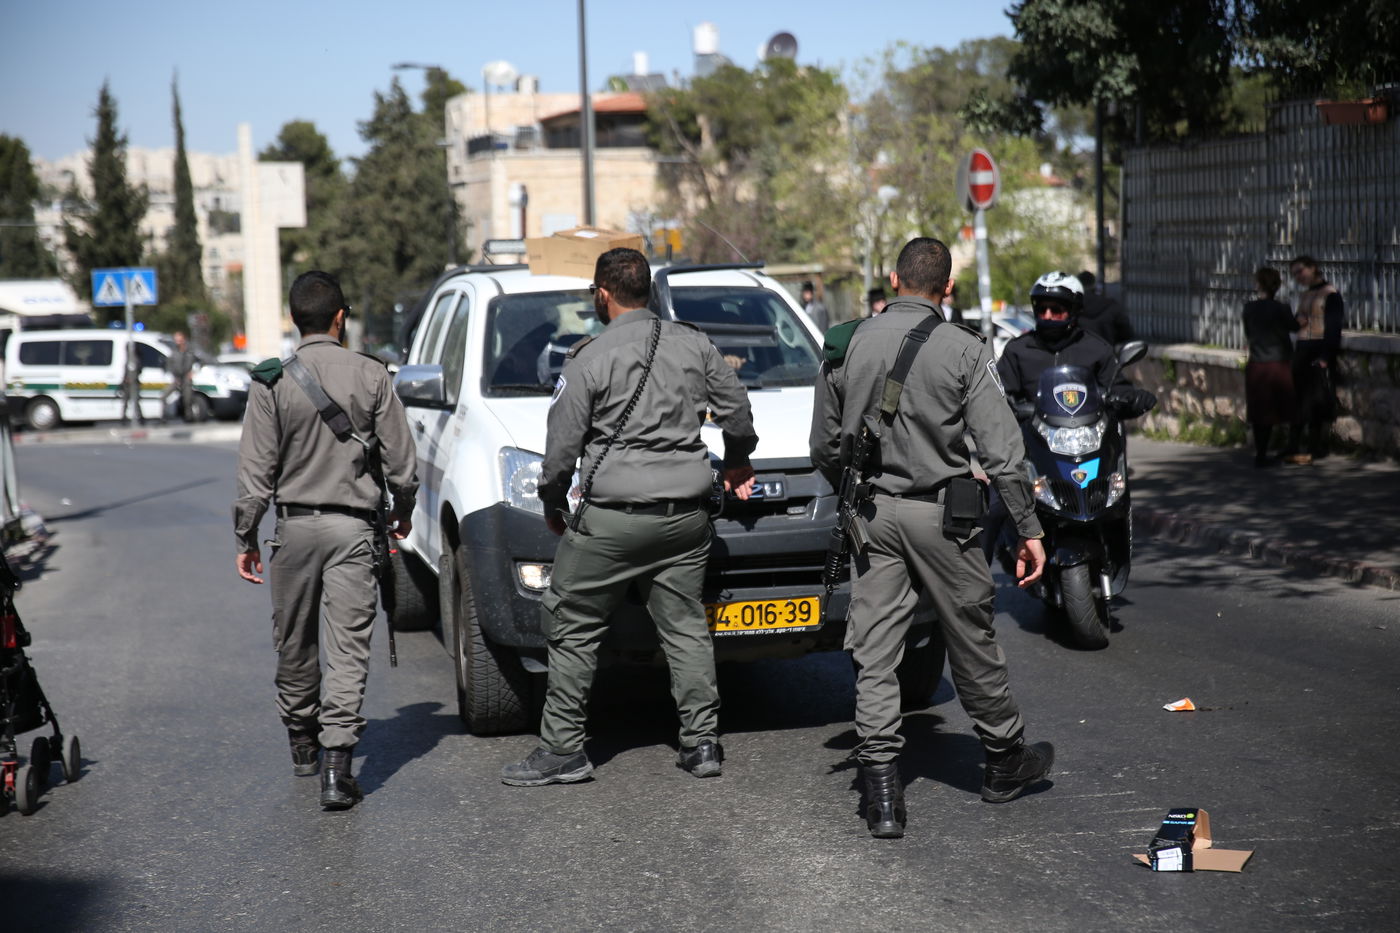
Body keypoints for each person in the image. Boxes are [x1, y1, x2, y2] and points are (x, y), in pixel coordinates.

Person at [809, 237, 1052, 839]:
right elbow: (1003, 454)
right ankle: (1002, 761)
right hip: (945, 518)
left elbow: (824, 445)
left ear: (893, 280)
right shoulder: (964, 350)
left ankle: (883, 795)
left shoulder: (847, 343)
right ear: (946, 289)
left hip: (874, 515)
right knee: (971, 636)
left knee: (874, 649)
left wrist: (859, 485)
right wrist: (1028, 529)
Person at [501, 248, 758, 787]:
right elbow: (737, 410)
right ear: (649, 291)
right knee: (685, 624)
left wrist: (553, 501)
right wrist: (736, 460)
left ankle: (563, 750)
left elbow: (562, 446)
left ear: (602, 294)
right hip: (687, 519)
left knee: (571, 622)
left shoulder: (589, 357)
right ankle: (702, 743)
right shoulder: (693, 343)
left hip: (612, 521)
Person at [233, 271, 418, 811]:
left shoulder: (270, 381)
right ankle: (338, 771)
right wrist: (400, 514)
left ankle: (302, 744)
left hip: (292, 530)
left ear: (296, 320)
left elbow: (254, 473)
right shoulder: (372, 374)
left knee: (294, 641)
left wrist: (246, 535)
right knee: (347, 649)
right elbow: (403, 467)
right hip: (354, 531)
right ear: (342, 318)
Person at [983, 272, 1155, 564]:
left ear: (1074, 311)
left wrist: (1132, 397)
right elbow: (998, 392)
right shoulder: (1018, 350)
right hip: (1032, 447)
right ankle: (973, 588)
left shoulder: (1095, 348)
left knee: (1117, 488)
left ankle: (1115, 545)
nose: (1048, 316)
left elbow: (1117, 385)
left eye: (1057, 309)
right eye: (1042, 309)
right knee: (996, 501)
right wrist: (1006, 406)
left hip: (1086, 445)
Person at [1282, 256, 1344, 464]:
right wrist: (1296, 321)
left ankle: (1315, 446)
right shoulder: (1305, 294)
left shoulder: (1330, 294)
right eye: (1294, 274)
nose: (1298, 277)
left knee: (1316, 401)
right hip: (1302, 347)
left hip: (1319, 348)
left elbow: (1334, 327)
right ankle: (1292, 445)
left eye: (1300, 271)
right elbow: (1296, 320)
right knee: (1297, 399)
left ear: (1313, 268)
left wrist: (1327, 356)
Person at [1242, 267, 1299, 467]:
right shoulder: (1282, 308)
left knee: (1260, 411)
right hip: (1279, 364)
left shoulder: (1249, 308)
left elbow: (1248, 333)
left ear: (1259, 284)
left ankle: (1261, 452)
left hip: (1257, 364)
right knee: (1283, 407)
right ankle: (1291, 446)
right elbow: (1295, 326)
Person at [1076, 271, 1134, 346]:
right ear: (1094, 284)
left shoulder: (1070, 307)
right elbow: (1127, 333)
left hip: (1077, 353)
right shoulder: (1111, 306)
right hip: (1105, 352)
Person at [163, 330, 197, 422]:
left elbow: (200, 360)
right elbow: (169, 364)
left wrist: (194, 371)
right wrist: (173, 376)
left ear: (183, 339)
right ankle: (164, 417)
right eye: (176, 339)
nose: (177, 341)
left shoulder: (190, 350)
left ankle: (189, 418)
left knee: (187, 399)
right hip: (176, 379)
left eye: (179, 339)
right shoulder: (173, 351)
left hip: (186, 378)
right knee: (164, 396)